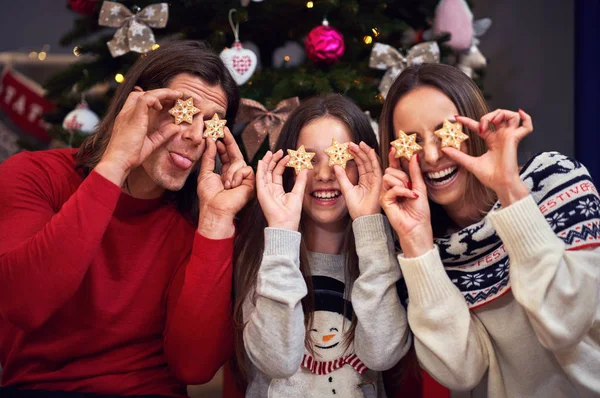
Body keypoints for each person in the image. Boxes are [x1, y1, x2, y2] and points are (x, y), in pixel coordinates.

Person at [0, 41, 255, 397]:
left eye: (212, 125)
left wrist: (215, 221)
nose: (196, 136)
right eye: (182, 110)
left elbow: (194, 366)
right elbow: (24, 304)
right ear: (135, 104)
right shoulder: (33, 175)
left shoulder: (197, 221)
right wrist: (116, 164)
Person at [378, 63, 600, 397]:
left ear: (472, 123)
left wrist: (510, 191)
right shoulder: (418, 250)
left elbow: (565, 325)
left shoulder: (555, 180)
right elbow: (462, 372)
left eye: (444, 132)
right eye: (414, 142)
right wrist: (417, 242)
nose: (434, 155)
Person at [232, 94, 411, 397]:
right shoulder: (265, 255)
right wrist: (282, 234)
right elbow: (276, 361)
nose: (325, 175)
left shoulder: (383, 255)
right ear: (289, 168)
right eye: (310, 160)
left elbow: (382, 355)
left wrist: (369, 226)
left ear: (367, 167)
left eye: (341, 159)